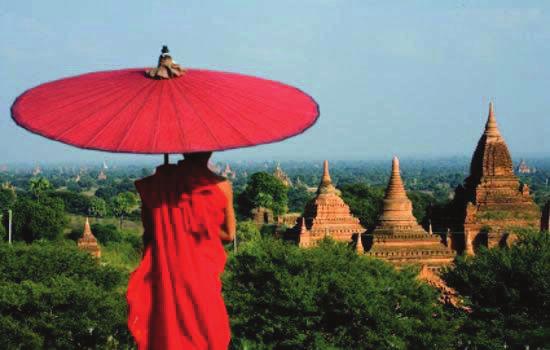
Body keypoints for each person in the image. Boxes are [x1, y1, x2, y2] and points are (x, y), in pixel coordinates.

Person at [127, 152, 235, 349]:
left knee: (168, 330)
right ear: (210, 151)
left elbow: (149, 232)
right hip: (202, 275)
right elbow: (229, 234)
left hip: (167, 271)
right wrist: (204, 225)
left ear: (183, 150)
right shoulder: (221, 186)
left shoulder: (157, 185)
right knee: (208, 332)